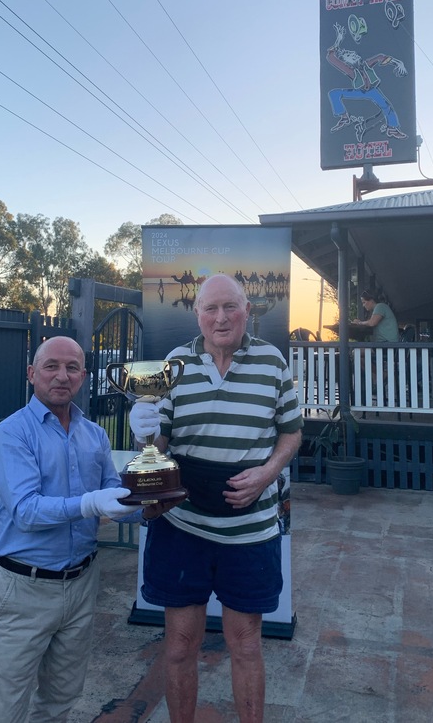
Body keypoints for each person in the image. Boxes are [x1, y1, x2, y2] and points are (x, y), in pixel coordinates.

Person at [129, 273, 303, 723]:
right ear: (197, 314)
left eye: (230, 307)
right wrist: (144, 431)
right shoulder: (175, 363)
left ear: (248, 310)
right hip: (182, 527)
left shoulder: (272, 362)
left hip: (249, 531)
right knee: (179, 644)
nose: (221, 318)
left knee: (245, 644)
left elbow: (291, 432)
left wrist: (267, 473)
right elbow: (159, 445)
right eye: (211, 308)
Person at [0, 336, 157, 723]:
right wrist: (89, 504)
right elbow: (25, 511)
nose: (62, 376)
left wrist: (149, 507)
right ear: (32, 374)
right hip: (24, 589)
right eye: (51, 366)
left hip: (81, 584)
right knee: (6, 706)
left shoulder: (94, 434)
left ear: (84, 376)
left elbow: (116, 500)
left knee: (61, 700)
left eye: (72, 368)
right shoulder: (12, 434)